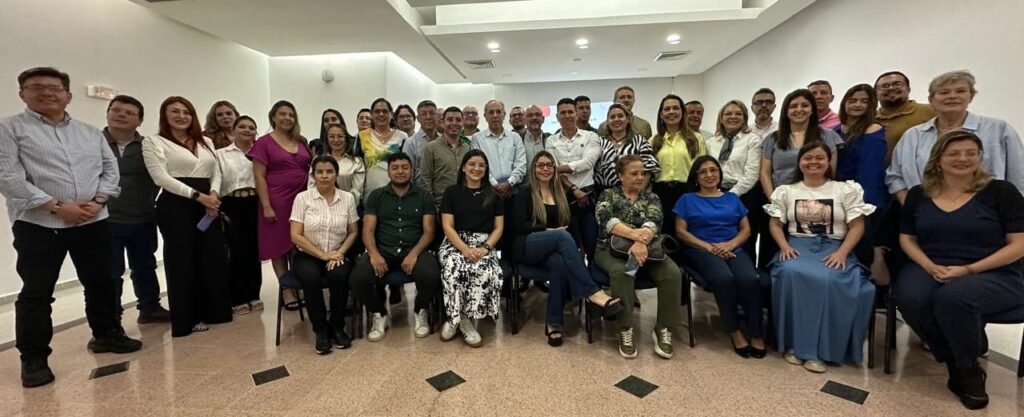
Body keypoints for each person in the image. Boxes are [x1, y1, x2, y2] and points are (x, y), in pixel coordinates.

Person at [0, 67, 141, 387]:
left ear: (68, 95)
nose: (47, 93)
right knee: (37, 292)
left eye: (54, 87)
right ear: (22, 94)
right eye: (36, 87)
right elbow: (8, 178)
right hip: (39, 222)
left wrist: (98, 202)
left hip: (93, 220)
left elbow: (110, 170)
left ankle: (106, 334)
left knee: (103, 281)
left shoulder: (89, 132)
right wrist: (58, 207)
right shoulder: (9, 129)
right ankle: (33, 357)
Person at [894, 130, 1024, 410]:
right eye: (953, 153)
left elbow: (1019, 244)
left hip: (993, 270)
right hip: (931, 263)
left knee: (953, 298)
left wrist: (968, 269)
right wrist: (929, 265)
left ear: (980, 157)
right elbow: (908, 238)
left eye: (970, 153)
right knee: (910, 297)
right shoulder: (920, 194)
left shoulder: (1001, 192)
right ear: (938, 159)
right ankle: (953, 356)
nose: (962, 158)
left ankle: (968, 371)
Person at [764, 142, 875, 373]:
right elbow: (775, 224)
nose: (813, 162)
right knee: (789, 272)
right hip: (797, 245)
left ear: (828, 162)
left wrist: (842, 252)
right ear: (800, 162)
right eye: (808, 158)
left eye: (819, 158)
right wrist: (784, 246)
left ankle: (822, 351)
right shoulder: (787, 191)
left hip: (835, 247)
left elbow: (857, 226)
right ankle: (793, 344)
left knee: (830, 279)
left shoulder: (845, 190)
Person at [143, 96, 233, 337]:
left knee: (211, 257)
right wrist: (198, 197)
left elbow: (216, 171)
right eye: (175, 111)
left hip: (208, 204)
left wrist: (213, 194)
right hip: (176, 205)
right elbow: (161, 178)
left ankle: (215, 311)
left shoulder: (205, 141)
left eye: (186, 112)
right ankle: (187, 318)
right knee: (182, 261)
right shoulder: (155, 142)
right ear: (165, 115)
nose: (181, 116)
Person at [512, 151, 623, 347]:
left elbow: (569, 226)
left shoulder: (560, 194)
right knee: (561, 236)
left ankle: (554, 322)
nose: (545, 169)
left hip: (551, 252)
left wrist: (570, 246)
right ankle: (592, 292)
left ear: (555, 169)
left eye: (550, 165)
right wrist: (548, 231)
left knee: (559, 263)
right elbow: (518, 226)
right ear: (533, 169)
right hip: (526, 246)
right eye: (541, 165)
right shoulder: (524, 192)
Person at [674, 156, 765, 358]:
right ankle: (734, 330)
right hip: (700, 250)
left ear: (719, 174)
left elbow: (746, 230)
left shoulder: (732, 198)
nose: (709, 175)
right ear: (695, 177)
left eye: (713, 170)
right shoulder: (687, 199)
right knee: (725, 279)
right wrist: (708, 247)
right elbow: (681, 232)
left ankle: (757, 332)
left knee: (750, 279)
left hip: (733, 248)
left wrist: (729, 245)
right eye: (703, 171)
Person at [594, 155, 683, 359]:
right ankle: (625, 328)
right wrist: (636, 237)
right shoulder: (608, 195)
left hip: (648, 251)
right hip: (610, 250)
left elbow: (654, 222)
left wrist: (640, 243)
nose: (640, 177)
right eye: (634, 173)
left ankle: (663, 328)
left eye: (643, 173)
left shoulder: (652, 198)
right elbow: (607, 221)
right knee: (623, 272)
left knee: (672, 273)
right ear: (620, 176)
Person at [887, 70, 1024, 201]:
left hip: (989, 215)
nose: (952, 96)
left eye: (960, 91)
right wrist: (911, 206)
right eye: (944, 92)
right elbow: (895, 177)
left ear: (971, 96)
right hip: (926, 217)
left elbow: (1019, 176)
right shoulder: (912, 136)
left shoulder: (998, 129)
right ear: (931, 99)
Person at [349, 153, 442, 342]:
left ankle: (420, 310)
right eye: (395, 168)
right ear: (389, 172)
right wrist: (374, 255)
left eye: (404, 167)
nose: (400, 171)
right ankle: (379, 313)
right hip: (383, 250)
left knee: (432, 275)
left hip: (415, 248)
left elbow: (429, 231)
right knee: (357, 278)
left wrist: (414, 254)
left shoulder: (423, 197)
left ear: (412, 170)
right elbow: (367, 230)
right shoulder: (376, 196)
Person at [103, 95, 170, 324]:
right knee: (110, 273)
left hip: (142, 216)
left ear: (139, 121)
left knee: (145, 265)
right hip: (105, 219)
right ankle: (111, 320)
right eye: (116, 110)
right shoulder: (94, 143)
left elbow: (160, 177)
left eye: (130, 113)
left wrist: (148, 202)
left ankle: (150, 307)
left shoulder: (148, 146)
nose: (122, 115)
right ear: (108, 114)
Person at [289, 155, 360, 354]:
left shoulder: (347, 198)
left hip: (338, 252)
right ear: (313, 175)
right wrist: (322, 255)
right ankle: (320, 330)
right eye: (320, 172)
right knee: (310, 279)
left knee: (339, 276)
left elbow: (353, 231)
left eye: (329, 171)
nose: (325, 176)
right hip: (308, 254)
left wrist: (339, 253)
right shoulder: (302, 198)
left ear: (336, 174)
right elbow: (295, 235)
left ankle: (337, 326)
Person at [438, 150, 505, 347]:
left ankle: (464, 319)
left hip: (485, 244)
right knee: (453, 268)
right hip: (455, 242)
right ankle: (456, 319)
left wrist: (485, 248)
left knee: (483, 270)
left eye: (481, 165)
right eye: (472, 164)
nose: (477, 169)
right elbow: (447, 226)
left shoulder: (494, 194)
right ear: (464, 168)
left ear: (486, 169)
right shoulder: (452, 192)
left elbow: (499, 227)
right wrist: (465, 250)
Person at [250, 100, 311, 309]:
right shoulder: (263, 142)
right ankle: (287, 291)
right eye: (282, 114)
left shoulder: (300, 141)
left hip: (302, 200)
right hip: (276, 200)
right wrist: (266, 205)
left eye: (291, 115)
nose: (287, 118)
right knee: (278, 246)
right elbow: (259, 176)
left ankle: (299, 283)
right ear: (273, 117)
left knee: (297, 244)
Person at [835, 84, 889, 284]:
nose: (858, 104)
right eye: (853, 100)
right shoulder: (836, 130)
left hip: (864, 201)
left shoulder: (872, 131)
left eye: (864, 101)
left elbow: (870, 173)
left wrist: (862, 205)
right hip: (838, 198)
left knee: (863, 254)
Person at [705, 100, 766, 267]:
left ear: (745, 117)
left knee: (744, 240)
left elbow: (752, 174)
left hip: (744, 195)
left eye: (738, 114)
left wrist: (730, 196)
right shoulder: (711, 142)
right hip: (714, 194)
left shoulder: (752, 140)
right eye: (728, 114)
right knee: (718, 235)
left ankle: (747, 277)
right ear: (721, 118)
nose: (733, 117)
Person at [217, 116, 263, 314]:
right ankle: (237, 297)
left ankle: (254, 294)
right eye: (242, 127)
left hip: (256, 203)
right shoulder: (220, 154)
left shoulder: (260, 154)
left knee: (255, 250)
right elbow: (216, 180)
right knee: (236, 251)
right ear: (233, 130)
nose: (247, 130)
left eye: (251, 127)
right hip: (231, 203)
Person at [760, 89, 843, 198]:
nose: (799, 110)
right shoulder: (772, 139)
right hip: (782, 199)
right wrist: (773, 200)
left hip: (818, 199)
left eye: (805, 105)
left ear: (812, 109)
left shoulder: (827, 136)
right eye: (793, 106)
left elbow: (831, 171)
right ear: (786, 111)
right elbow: (764, 173)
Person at [651, 94, 707, 221]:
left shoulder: (696, 139)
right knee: (665, 232)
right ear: (661, 114)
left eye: (676, 108)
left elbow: (703, 168)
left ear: (683, 112)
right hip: (660, 193)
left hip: (688, 192)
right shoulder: (653, 141)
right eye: (667, 109)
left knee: (688, 231)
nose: (671, 112)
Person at [595, 104, 660, 193]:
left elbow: (650, 166)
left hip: (633, 191)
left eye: (620, 116)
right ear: (607, 121)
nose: (616, 119)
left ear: (628, 119)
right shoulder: (599, 142)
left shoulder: (639, 140)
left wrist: (640, 189)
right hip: (603, 191)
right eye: (612, 117)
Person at [874, 71, 935, 163]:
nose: (891, 88)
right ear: (875, 92)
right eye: (885, 86)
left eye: (897, 84)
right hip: (877, 175)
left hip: (919, 175)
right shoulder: (869, 118)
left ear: (908, 88)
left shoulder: (931, 111)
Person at [472, 100, 527, 199]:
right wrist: (495, 185)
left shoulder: (515, 137)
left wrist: (509, 183)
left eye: (498, 112)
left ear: (504, 115)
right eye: (491, 112)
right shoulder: (477, 138)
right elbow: (478, 165)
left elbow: (521, 163)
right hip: (488, 192)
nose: (495, 115)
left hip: (514, 191)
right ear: (485, 116)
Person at [419, 106, 472, 207]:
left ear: (463, 123)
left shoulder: (468, 148)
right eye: (449, 119)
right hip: (441, 205)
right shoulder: (431, 148)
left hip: (465, 205)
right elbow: (425, 179)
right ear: (442, 122)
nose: (454, 123)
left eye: (458, 120)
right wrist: (432, 207)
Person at [360, 98, 408, 201]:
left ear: (391, 114)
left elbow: (407, 166)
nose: (381, 114)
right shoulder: (362, 137)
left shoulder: (402, 136)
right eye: (377, 111)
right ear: (372, 115)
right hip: (370, 195)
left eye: (385, 111)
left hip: (397, 194)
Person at [323, 123, 366, 203]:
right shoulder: (318, 161)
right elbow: (312, 187)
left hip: (347, 208)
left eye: (340, 136)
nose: (336, 140)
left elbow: (357, 191)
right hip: (321, 208)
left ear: (346, 139)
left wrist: (341, 205)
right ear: (327, 139)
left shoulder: (356, 162)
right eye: (332, 136)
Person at [403, 100, 440, 173]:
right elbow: (408, 172)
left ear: (437, 116)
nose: (428, 117)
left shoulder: (444, 140)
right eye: (424, 114)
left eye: (432, 113)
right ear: (418, 119)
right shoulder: (410, 143)